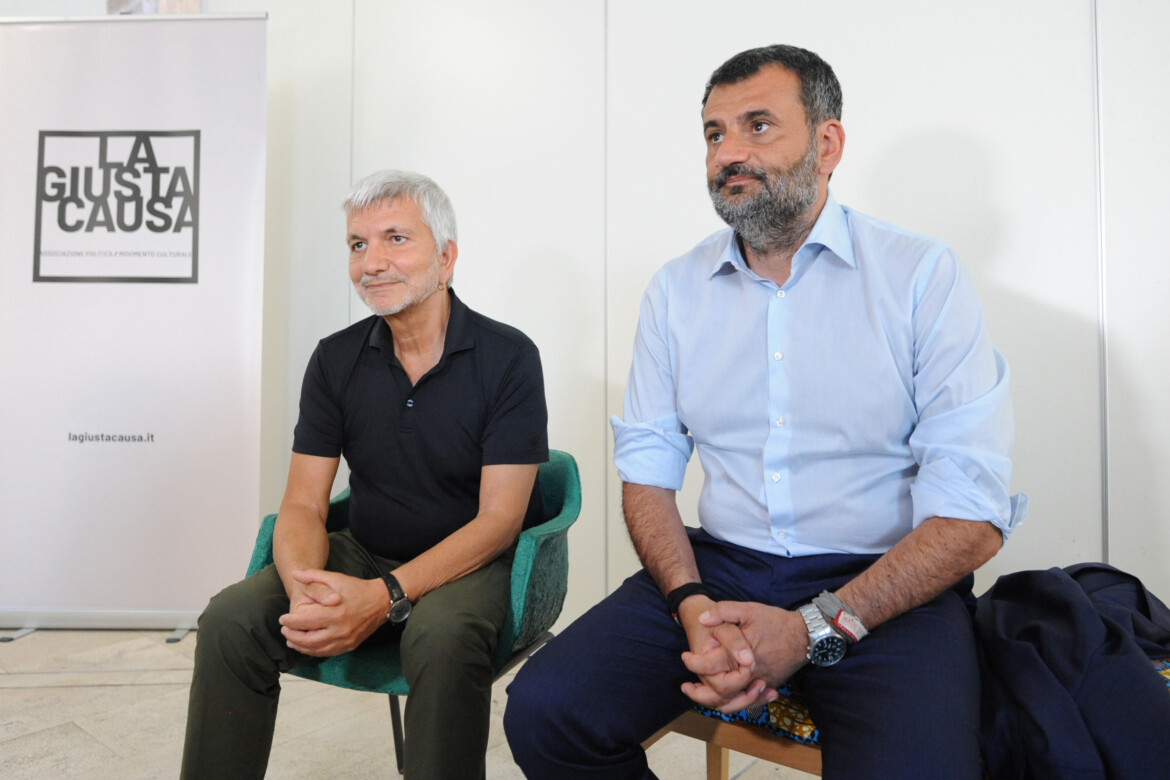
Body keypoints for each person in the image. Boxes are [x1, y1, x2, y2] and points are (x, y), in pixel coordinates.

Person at [504, 44, 1025, 779]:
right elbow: (647, 476)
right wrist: (691, 604)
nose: (728, 154)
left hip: (884, 581)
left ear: (827, 143)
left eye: (757, 126)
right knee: (547, 711)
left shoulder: (920, 277)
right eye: (714, 134)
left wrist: (810, 629)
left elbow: (971, 517)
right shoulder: (676, 291)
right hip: (721, 569)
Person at [181, 170, 548, 780]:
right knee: (230, 619)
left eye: (395, 239)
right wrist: (305, 588)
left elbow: (499, 520)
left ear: (446, 256)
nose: (372, 263)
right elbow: (303, 504)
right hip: (366, 550)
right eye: (358, 244)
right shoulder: (335, 359)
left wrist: (384, 598)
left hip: (470, 563)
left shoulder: (509, 357)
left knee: (441, 636)